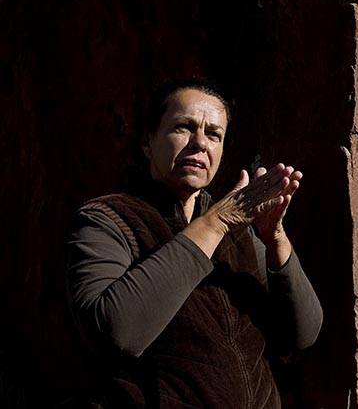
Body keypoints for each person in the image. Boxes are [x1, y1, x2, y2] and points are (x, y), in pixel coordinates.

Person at [65, 79, 322, 408]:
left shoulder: (239, 231)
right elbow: (118, 333)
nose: (200, 143)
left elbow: (301, 335)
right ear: (148, 142)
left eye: (214, 134)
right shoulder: (107, 219)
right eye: (184, 128)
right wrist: (215, 224)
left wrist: (274, 238)